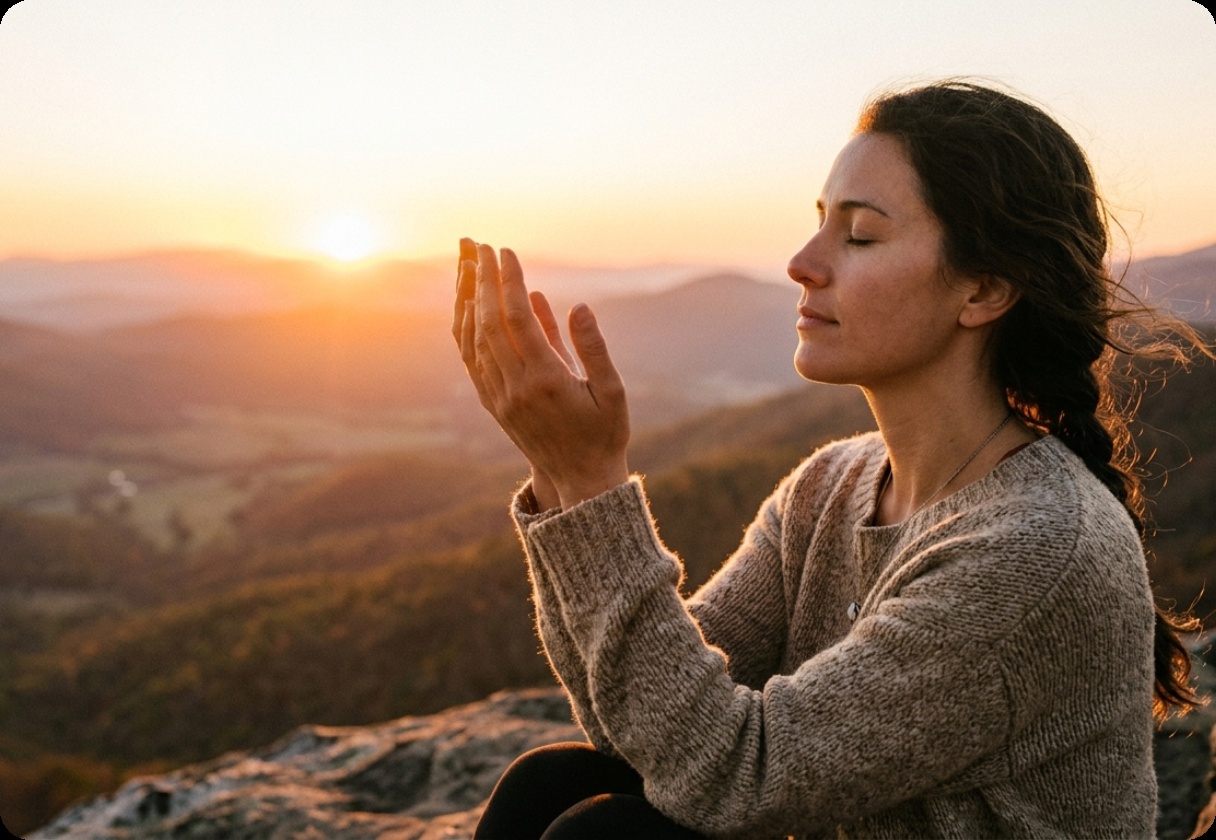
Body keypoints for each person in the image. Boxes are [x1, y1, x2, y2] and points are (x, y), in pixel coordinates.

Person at [452, 80, 1206, 839]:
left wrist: (591, 483)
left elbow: (735, 775)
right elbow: (645, 732)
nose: (801, 263)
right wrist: (558, 477)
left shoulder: (1035, 550)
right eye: (818, 223)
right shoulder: (831, 485)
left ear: (983, 288)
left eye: (860, 236)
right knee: (551, 782)